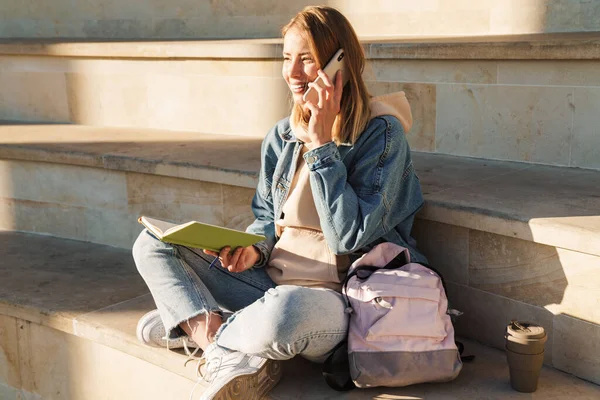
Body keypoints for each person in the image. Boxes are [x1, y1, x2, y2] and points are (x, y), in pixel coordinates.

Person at [132, 5, 427, 400]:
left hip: (341, 300)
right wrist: (254, 250)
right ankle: (224, 340)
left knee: (286, 312)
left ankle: (196, 325)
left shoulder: (381, 134)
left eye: (306, 59)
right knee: (152, 244)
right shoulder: (282, 136)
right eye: (287, 58)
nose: (291, 72)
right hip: (270, 282)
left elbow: (348, 237)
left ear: (340, 64)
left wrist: (322, 146)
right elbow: (267, 221)